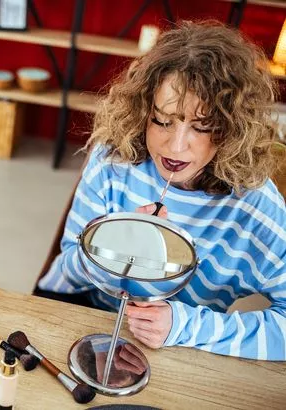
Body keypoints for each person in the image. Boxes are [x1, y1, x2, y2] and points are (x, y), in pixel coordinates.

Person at [37, 21, 286, 360]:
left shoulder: (255, 206)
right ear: (143, 111)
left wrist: (184, 325)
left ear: (233, 128)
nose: (175, 145)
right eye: (162, 120)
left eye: (203, 126)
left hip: (187, 353)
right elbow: (62, 273)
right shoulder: (114, 159)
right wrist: (112, 242)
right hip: (85, 327)